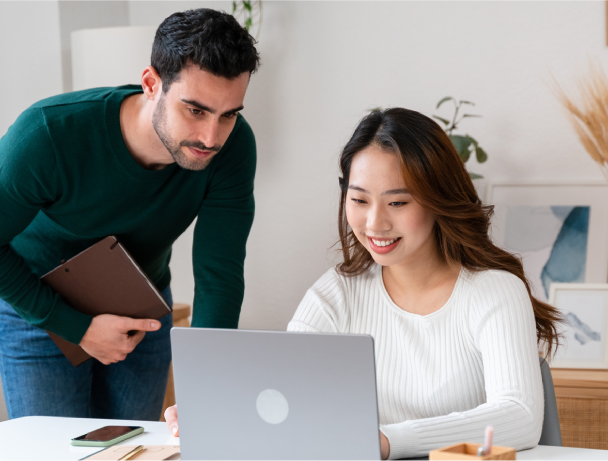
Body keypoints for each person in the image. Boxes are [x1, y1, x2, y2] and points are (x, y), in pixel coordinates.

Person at [165, 108, 564, 460]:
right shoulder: (336, 292)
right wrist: (220, 409)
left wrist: (386, 442)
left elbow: (520, 416)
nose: (375, 223)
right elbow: (284, 392)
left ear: (438, 200)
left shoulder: (494, 292)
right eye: (358, 200)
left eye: (398, 202)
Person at [0, 8, 259, 421]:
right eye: (195, 110)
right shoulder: (47, 135)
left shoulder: (233, 147)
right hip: (41, 308)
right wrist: (76, 327)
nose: (211, 137)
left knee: (136, 450)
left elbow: (219, 275)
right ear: (152, 84)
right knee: (54, 453)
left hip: (142, 308)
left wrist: (206, 384)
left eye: (229, 114)